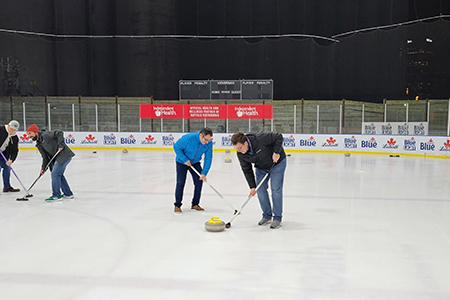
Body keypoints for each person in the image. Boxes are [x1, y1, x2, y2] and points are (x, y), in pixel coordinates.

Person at [231, 131, 287, 229]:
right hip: (261, 168)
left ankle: (277, 218)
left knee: (276, 190)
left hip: (277, 164)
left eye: (240, 148)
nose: (238, 151)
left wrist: (276, 152)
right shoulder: (240, 154)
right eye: (236, 149)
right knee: (260, 190)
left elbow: (278, 136)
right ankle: (267, 215)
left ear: (246, 143)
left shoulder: (260, 138)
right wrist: (252, 186)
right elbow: (247, 170)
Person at [26, 124, 75, 201]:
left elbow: (59, 132)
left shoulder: (46, 135)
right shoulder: (39, 144)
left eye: (30, 133)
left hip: (64, 155)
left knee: (55, 174)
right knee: (59, 175)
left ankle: (56, 195)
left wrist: (61, 144)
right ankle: (68, 194)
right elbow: (45, 158)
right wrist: (43, 168)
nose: (29, 136)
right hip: (57, 158)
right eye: (27, 134)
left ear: (36, 132)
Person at [173, 127, 213, 213]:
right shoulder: (188, 138)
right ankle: (177, 205)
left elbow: (208, 158)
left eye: (208, 140)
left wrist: (204, 173)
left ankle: (195, 204)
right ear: (201, 135)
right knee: (180, 183)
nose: (207, 142)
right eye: (205, 139)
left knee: (199, 181)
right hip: (181, 162)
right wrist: (184, 159)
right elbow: (176, 147)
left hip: (195, 163)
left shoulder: (208, 143)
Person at [0, 120, 20, 193]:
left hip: (3, 154)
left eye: (14, 130)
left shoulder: (15, 138)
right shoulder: (1, 129)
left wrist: (11, 160)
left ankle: (7, 187)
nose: (12, 130)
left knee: (7, 169)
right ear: (8, 125)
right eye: (11, 128)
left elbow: (14, 151)